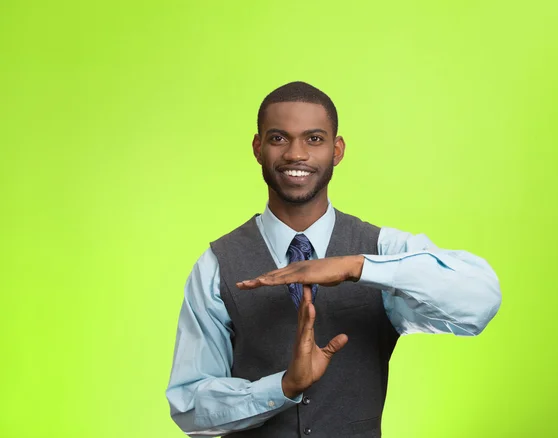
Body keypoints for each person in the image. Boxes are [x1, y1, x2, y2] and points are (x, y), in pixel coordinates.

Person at [165, 81, 502, 437]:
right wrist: (282, 387)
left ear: (337, 150)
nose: (296, 154)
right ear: (258, 147)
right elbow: (189, 404)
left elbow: (480, 300)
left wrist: (357, 266)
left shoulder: (380, 249)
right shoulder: (217, 264)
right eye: (279, 138)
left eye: (314, 139)